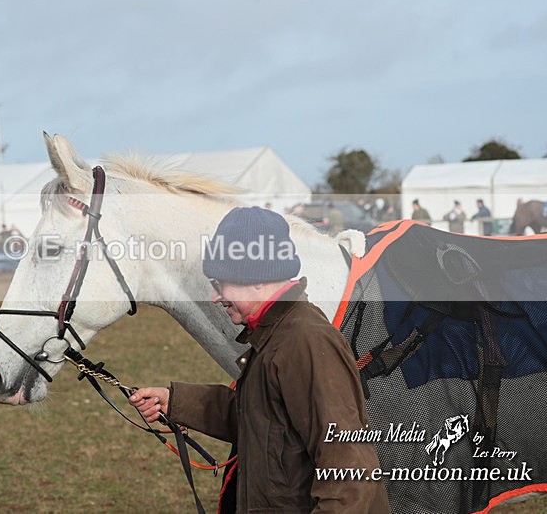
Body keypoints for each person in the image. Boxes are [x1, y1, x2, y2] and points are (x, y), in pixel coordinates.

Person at [128, 207, 390, 513]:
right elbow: (260, 416)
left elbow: (349, 472)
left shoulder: (305, 341)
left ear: (255, 277)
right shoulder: (276, 333)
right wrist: (174, 400)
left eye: (220, 283)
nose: (215, 297)